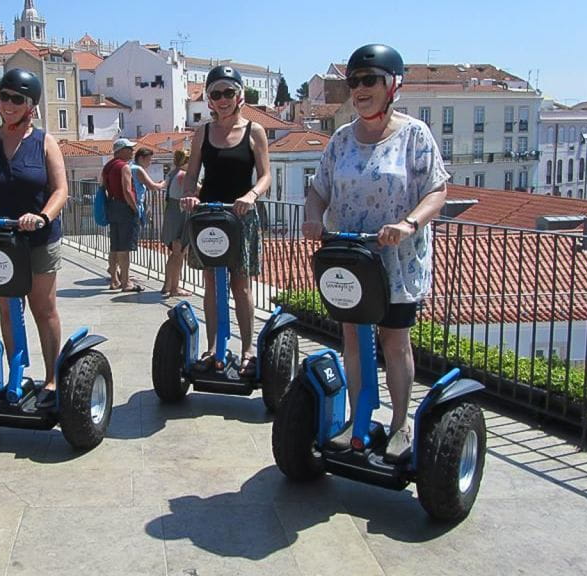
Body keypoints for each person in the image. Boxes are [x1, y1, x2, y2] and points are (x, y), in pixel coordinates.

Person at [301, 44, 449, 462]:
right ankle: (359, 418)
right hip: (349, 257)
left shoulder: (414, 135)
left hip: (396, 261)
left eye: (370, 80)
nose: (361, 88)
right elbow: (318, 191)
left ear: (392, 85)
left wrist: (408, 225)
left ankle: (401, 424)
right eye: (354, 81)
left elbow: (437, 190)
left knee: (394, 341)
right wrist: (314, 218)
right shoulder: (341, 139)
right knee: (352, 336)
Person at [0, 68, 68, 408]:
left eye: (16, 99)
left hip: (38, 238)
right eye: (3, 96)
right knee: (8, 308)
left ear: (30, 106)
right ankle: (16, 373)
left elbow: (61, 190)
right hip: (0, 239)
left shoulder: (44, 142)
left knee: (42, 307)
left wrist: (42, 217)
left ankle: (52, 379)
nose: (8, 104)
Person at [181, 65, 271, 376]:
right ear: (209, 99)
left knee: (241, 285)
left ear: (239, 95)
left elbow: (266, 176)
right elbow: (192, 174)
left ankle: (247, 348)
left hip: (240, 216)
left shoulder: (253, 131)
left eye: (228, 92)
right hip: (208, 216)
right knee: (210, 284)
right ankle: (213, 346)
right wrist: (190, 194)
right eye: (216, 93)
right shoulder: (203, 132)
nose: (222, 99)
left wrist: (251, 196)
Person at [101, 138, 143, 292]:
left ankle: (114, 280)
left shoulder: (108, 166)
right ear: (121, 150)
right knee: (125, 247)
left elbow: (103, 186)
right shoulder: (124, 167)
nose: (132, 152)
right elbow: (127, 190)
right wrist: (135, 208)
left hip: (112, 206)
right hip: (124, 208)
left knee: (115, 245)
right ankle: (126, 282)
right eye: (129, 148)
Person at [160, 148, 193, 297]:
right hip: (181, 214)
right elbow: (201, 190)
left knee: (174, 253)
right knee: (179, 254)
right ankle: (175, 288)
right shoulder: (184, 175)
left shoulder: (172, 173)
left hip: (172, 213)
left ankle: (167, 285)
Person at [129, 146, 165, 228]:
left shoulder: (130, 166)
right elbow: (153, 186)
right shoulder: (138, 169)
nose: (150, 163)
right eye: (149, 160)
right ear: (141, 158)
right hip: (135, 205)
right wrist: (164, 183)